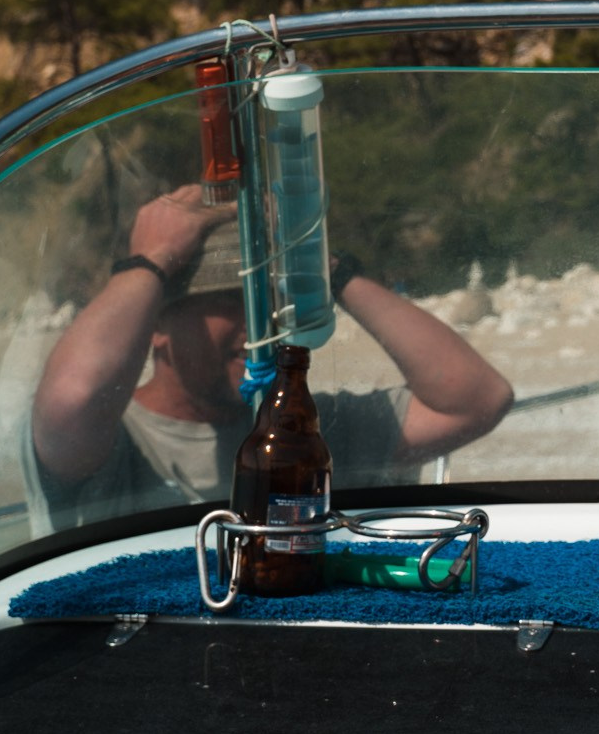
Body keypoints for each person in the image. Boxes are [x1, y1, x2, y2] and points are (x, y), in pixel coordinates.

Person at [27, 182, 513, 529]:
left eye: (269, 302)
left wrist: (329, 270)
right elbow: (72, 400)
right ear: (155, 324)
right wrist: (149, 263)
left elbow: (478, 399)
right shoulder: (114, 444)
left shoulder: (306, 437)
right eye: (229, 300)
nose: (259, 327)